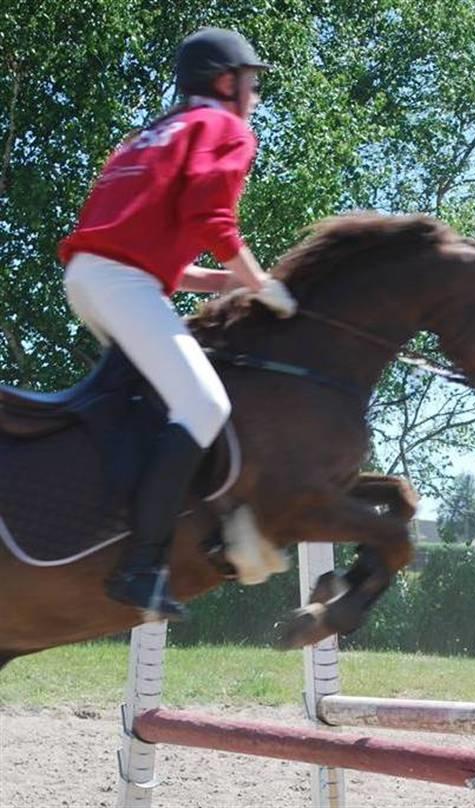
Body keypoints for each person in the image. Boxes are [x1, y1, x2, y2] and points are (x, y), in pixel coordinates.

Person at [58, 27, 297, 622]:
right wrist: (259, 280)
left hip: (89, 277)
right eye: (252, 82)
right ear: (226, 81)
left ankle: (124, 515)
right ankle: (141, 565)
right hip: (122, 284)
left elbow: (133, 239)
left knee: (156, 402)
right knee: (204, 404)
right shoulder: (226, 128)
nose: (255, 95)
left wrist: (215, 282)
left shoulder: (148, 134)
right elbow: (213, 218)